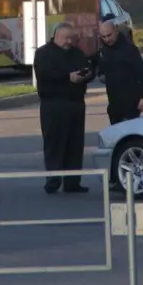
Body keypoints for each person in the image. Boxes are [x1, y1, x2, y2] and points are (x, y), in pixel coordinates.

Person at [33, 22, 94, 194]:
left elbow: (88, 67)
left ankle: (72, 182)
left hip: (75, 103)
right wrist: (68, 76)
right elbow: (45, 74)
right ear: (55, 37)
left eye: (71, 38)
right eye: (65, 38)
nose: (69, 41)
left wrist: (87, 74)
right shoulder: (43, 53)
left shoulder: (76, 53)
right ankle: (53, 180)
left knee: (75, 144)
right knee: (55, 143)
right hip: (53, 104)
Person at [95, 19, 143, 126]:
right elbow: (100, 70)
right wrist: (101, 75)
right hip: (114, 102)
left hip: (131, 101)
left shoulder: (129, 49)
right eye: (104, 37)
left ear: (115, 32)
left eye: (109, 35)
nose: (107, 39)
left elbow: (142, 73)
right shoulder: (103, 51)